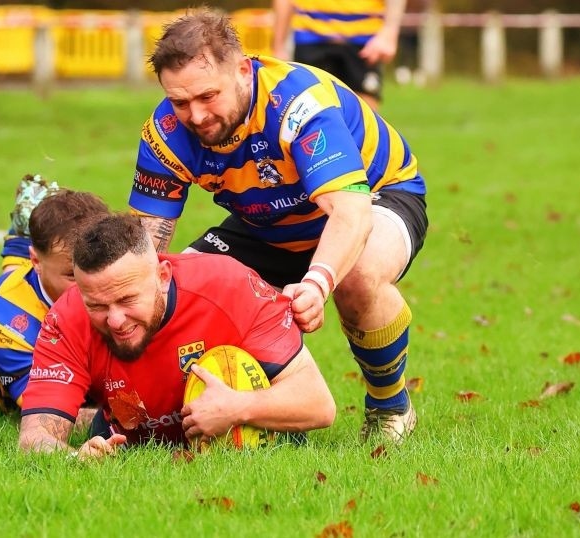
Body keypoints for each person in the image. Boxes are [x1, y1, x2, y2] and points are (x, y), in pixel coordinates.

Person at [130, 9, 428, 443]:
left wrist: (318, 282)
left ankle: (389, 407)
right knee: (179, 287)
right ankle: (226, 411)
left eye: (208, 96)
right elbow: (145, 249)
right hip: (265, 220)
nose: (194, 115)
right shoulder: (166, 131)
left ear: (243, 71)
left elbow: (349, 212)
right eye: (180, 101)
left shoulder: (299, 104)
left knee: (358, 277)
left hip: (377, 196)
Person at [18, 214, 335, 459]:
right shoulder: (66, 318)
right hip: (129, 433)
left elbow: (318, 405)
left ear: (163, 277)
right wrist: (76, 458)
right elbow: (35, 438)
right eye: (97, 305)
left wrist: (239, 408)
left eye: (128, 300)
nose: (114, 319)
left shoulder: (228, 286)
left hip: (254, 438)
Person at [0, 188, 110, 415]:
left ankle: (18, 244)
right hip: (19, 378)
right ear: (36, 261)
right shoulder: (4, 316)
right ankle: (17, 252)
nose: (88, 284)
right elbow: (49, 412)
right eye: (72, 275)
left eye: (96, 268)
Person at [271, 0, 406, 111]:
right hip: (311, 36)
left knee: (365, 118)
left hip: (364, 39)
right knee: (312, 115)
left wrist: (390, 31)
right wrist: (278, 47)